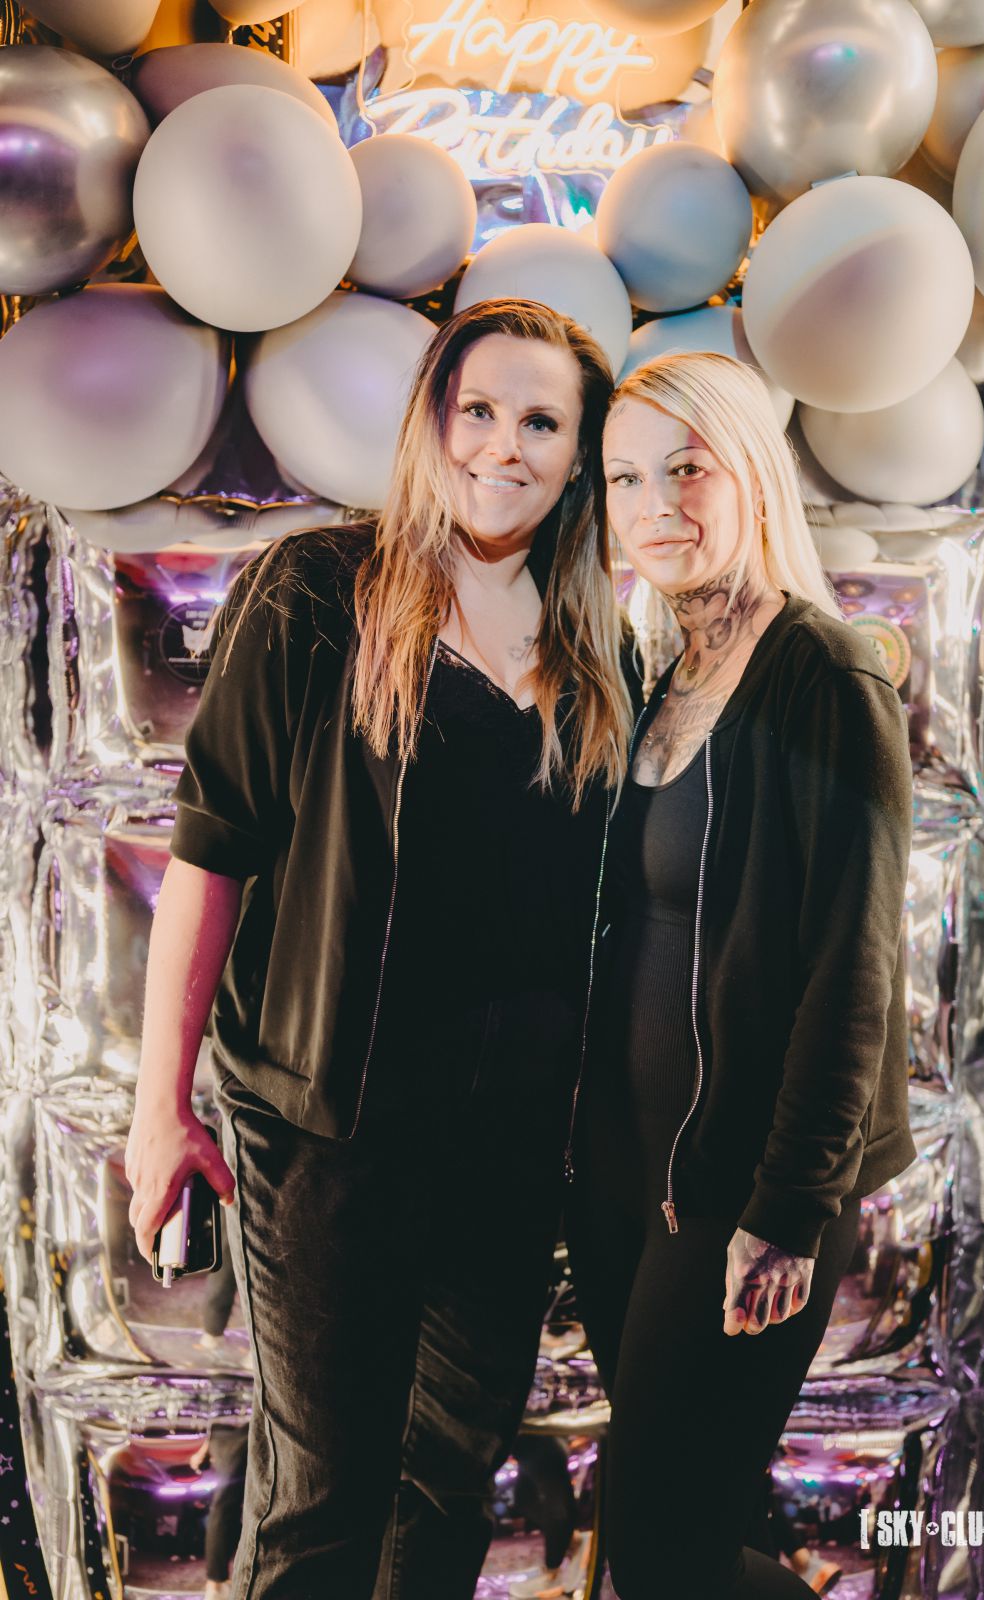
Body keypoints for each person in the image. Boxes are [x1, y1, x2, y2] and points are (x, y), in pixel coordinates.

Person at [124, 298, 640, 1600]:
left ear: (578, 456)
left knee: (453, 1480)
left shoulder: (600, 652)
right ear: (431, 421)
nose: (503, 446)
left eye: (541, 422)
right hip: (326, 1131)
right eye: (479, 409)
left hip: (511, 1144)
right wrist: (158, 1109)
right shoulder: (316, 591)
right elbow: (209, 855)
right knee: (322, 1502)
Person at [565, 351, 917, 1598]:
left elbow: (854, 963)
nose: (654, 504)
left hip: (740, 1186)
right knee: (668, 1539)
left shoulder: (824, 673)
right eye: (623, 479)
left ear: (751, 471)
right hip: (629, 1178)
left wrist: (788, 1206)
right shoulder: (660, 672)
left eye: (686, 468)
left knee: (666, 1546)